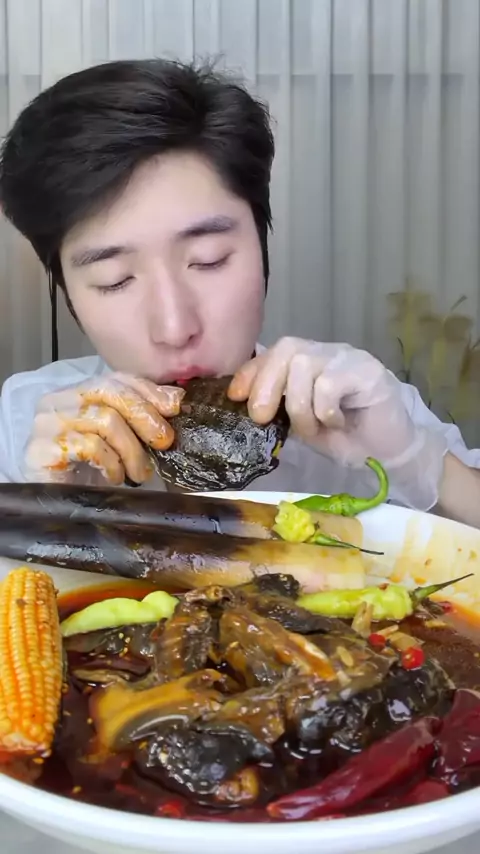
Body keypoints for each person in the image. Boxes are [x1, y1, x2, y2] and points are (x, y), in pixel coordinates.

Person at [0, 58, 478, 522]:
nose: (175, 327)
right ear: (67, 293)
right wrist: (53, 513)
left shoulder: (365, 408)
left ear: (261, 245)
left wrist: (421, 465)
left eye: (208, 259)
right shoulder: (21, 425)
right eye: (116, 279)